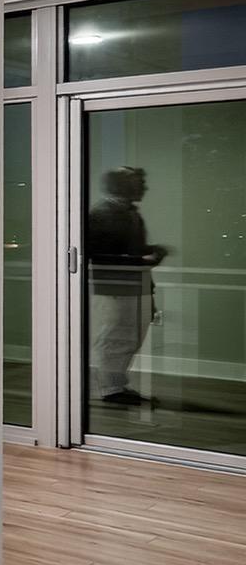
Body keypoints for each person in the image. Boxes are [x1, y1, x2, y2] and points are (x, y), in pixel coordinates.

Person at [87, 166, 168, 407]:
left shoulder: (126, 213)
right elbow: (95, 255)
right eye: (137, 183)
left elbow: (122, 250)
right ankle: (111, 389)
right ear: (120, 185)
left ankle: (116, 386)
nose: (144, 187)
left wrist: (149, 254)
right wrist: (143, 259)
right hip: (115, 287)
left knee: (128, 337)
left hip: (131, 285)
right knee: (116, 337)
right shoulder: (102, 213)